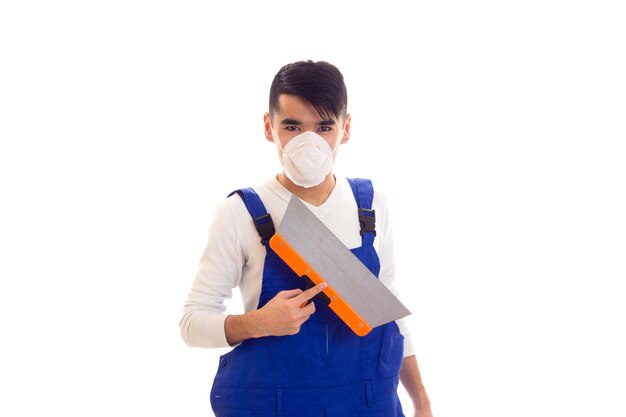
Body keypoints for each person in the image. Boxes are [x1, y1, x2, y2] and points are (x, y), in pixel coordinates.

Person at [180, 60, 433, 417]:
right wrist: (257, 323)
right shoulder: (242, 212)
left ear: (345, 130)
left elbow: (388, 312)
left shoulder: (371, 206)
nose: (309, 142)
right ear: (269, 128)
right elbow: (191, 323)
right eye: (293, 126)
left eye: (324, 127)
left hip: (367, 404)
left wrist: (421, 401)